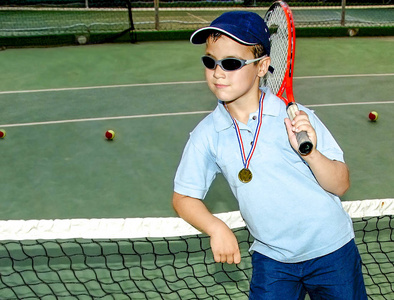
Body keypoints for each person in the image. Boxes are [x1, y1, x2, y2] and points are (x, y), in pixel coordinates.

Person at [172, 11, 367, 299]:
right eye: (210, 61)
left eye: (231, 63)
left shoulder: (297, 118)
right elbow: (183, 198)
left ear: (262, 67)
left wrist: (311, 153)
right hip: (272, 258)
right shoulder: (207, 135)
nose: (217, 72)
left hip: (332, 251)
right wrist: (216, 228)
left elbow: (340, 184)